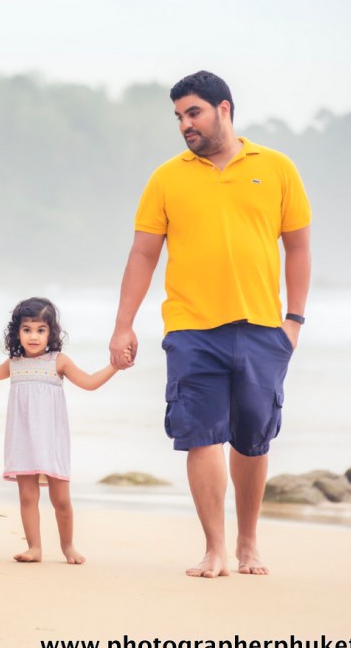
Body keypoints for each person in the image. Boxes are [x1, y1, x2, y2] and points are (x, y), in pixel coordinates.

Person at [108, 71, 312, 578]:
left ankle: (248, 543)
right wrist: (123, 325)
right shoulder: (166, 178)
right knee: (201, 435)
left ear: (224, 109)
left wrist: (293, 321)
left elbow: (298, 247)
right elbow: (143, 254)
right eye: (178, 116)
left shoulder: (277, 168)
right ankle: (215, 548)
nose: (185, 124)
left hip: (262, 326)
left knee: (253, 439)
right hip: (191, 328)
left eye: (193, 112)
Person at [0, 297, 119, 564]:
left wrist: (115, 367)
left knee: (61, 499)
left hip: (52, 441)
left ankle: (68, 546)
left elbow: (89, 383)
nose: (34, 336)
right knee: (27, 497)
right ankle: (34, 548)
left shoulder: (58, 361)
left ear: (51, 333)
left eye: (41, 330)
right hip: (22, 440)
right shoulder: (15, 362)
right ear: (17, 332)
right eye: (27, 329)